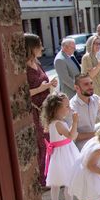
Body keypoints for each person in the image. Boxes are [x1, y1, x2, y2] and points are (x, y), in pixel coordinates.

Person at [41, 92, 85, 200]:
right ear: (56, 108)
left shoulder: (52, 123)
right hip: (65, 153)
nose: (69, 109)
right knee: (69, 179)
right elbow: (71, 136)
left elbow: (72, 135)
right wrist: (75, 122)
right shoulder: (60, 124)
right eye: (66, 106)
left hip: (57, 154)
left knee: (55, 182)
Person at [25, 33, 58, 187]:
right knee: (41, 144)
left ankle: (49, 175)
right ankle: (42, 179)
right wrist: (41, 88)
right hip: (35, 111)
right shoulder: (23, 68)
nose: (42, 48)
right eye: (39, 45)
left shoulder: (36, 63)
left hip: (45, 110)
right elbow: (24, 92)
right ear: (32, 48)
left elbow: (42, 83)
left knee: (48, 142)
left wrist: (50, 84)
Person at [69, 73, 100, 150]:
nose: (91, 87)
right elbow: (73, 136)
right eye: (86, 84)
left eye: (91, 83)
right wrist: (96, 134)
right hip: (80, 144)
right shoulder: (72, 107)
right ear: (77, 88)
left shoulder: (96, 99)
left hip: (93, 134)